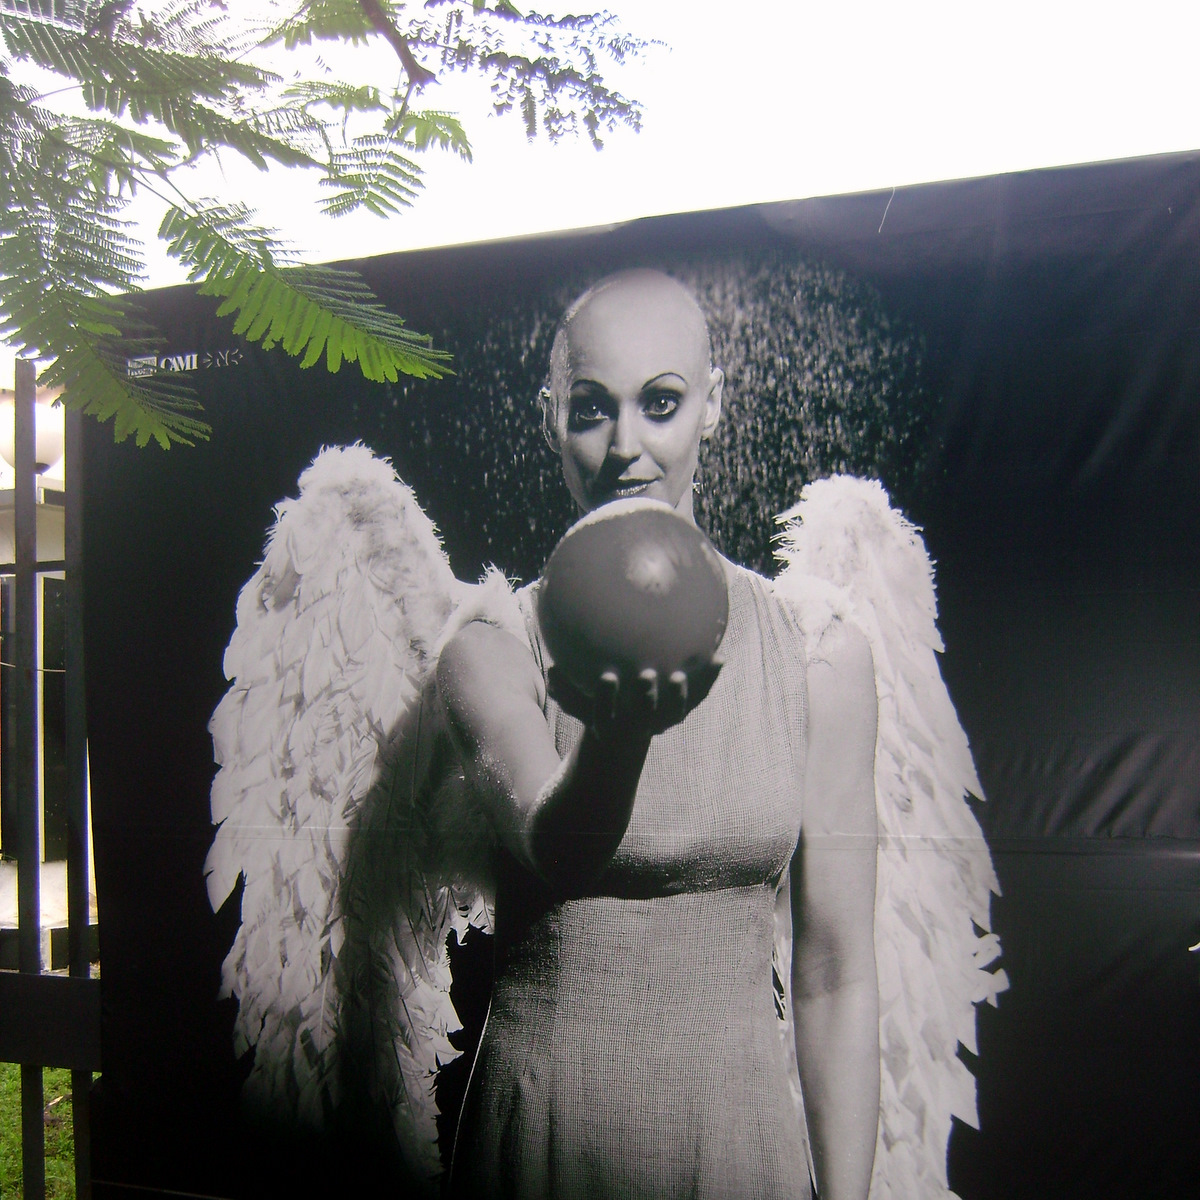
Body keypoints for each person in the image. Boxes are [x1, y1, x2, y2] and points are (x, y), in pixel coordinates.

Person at [435, 268, 881, 1200]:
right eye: (593, 409)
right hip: (544, 1143)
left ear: (712, 406)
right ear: (551, 419)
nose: (626, 446)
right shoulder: (491, 648)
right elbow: (558, 849)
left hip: (739, 1148)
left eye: (663, 403)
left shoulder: (818, 654)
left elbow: (835, 973)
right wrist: (619, 737)